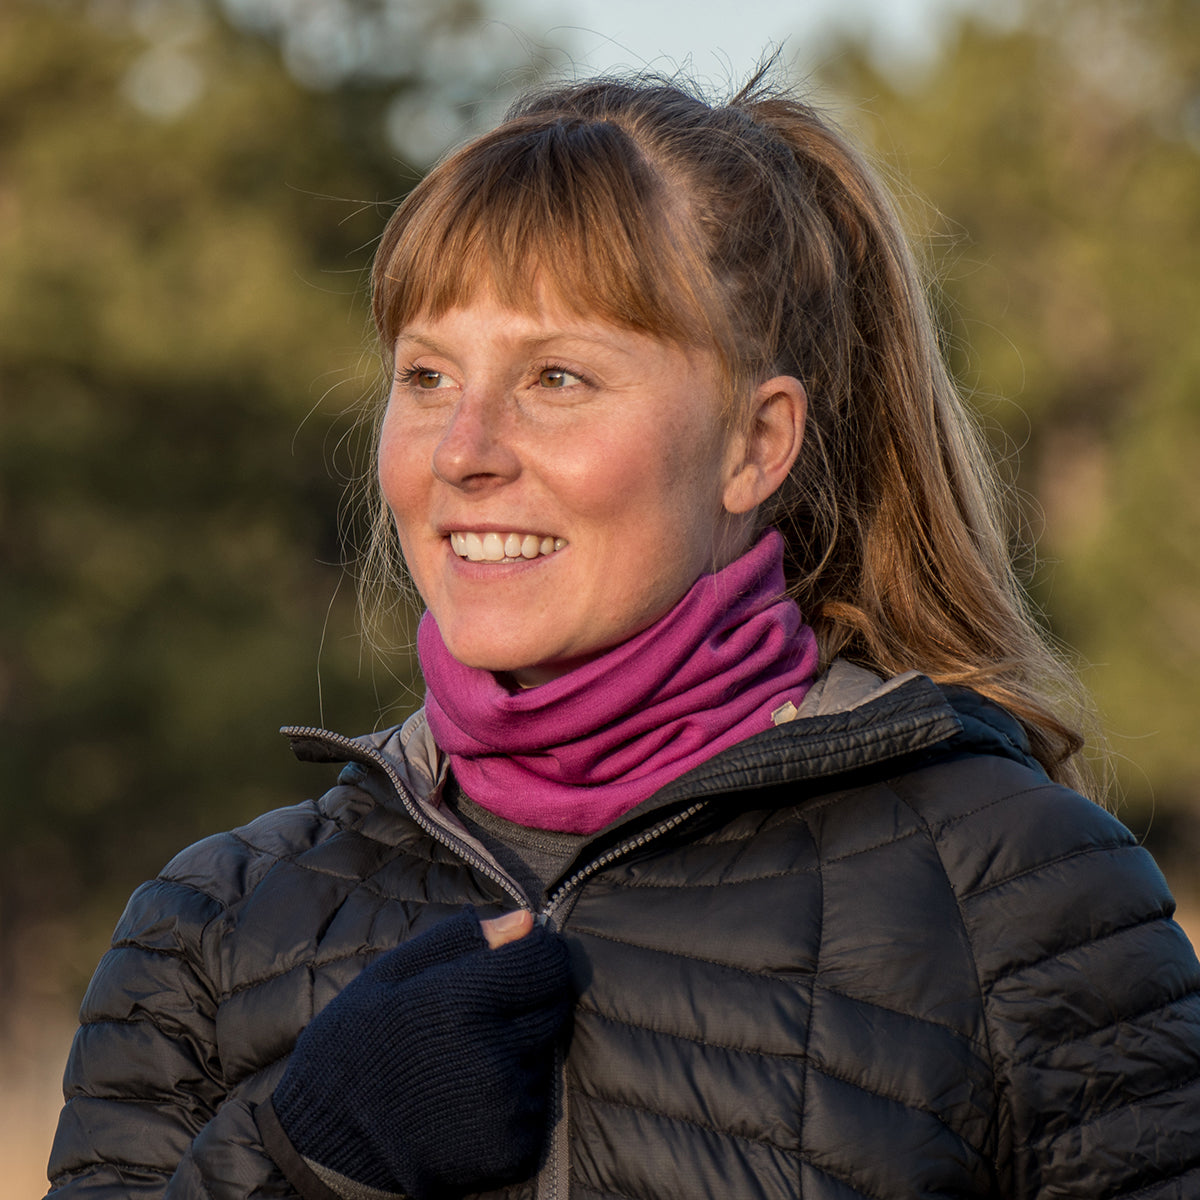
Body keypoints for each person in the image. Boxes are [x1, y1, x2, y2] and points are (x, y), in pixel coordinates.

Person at [45, 70, 1200, 1200]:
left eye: (556, 375)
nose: (464, 450)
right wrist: (304, 1164)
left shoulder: (1022, 896)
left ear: (757, 443)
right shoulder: (211, 927)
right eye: (430, 375)